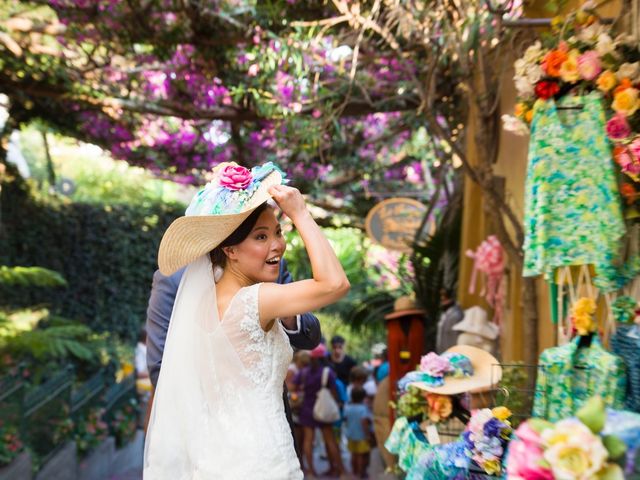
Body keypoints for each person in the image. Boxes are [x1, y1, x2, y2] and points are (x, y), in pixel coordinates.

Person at [143, 162, 350, 479]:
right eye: (261, 236)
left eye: (278, 232)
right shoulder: (256, 300)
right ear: (229, 249)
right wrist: (301, 214)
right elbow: (335, 284)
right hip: (260, 460)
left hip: (216, 458)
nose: (278, 245)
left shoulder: (204, 304)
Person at [294, 343, 345, 478]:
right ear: (324, 357)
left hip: (306, 409)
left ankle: (311, 472)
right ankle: (341, 471)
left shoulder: (303, 373)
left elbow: (294, 387)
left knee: (308, 441)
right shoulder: (328, 373)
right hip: (323, 410)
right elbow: (334, 393)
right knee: (330, 440)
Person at [343, 387, 372, 479]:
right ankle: (360, 473)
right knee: (360, 455)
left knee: (353, 454)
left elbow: (346, 420)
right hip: (361, 436)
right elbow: (364, 423)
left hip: (351, 434)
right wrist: (367, 435)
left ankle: (354, 471)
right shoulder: (363, 409)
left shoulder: (348, 408)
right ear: (363, 398)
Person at [436, 287, 464, 354]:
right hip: (442, 352)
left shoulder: (456, 315)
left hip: (451, 354)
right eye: (441, 295)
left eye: (445, 296)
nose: (442, 298)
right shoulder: (444, 314)